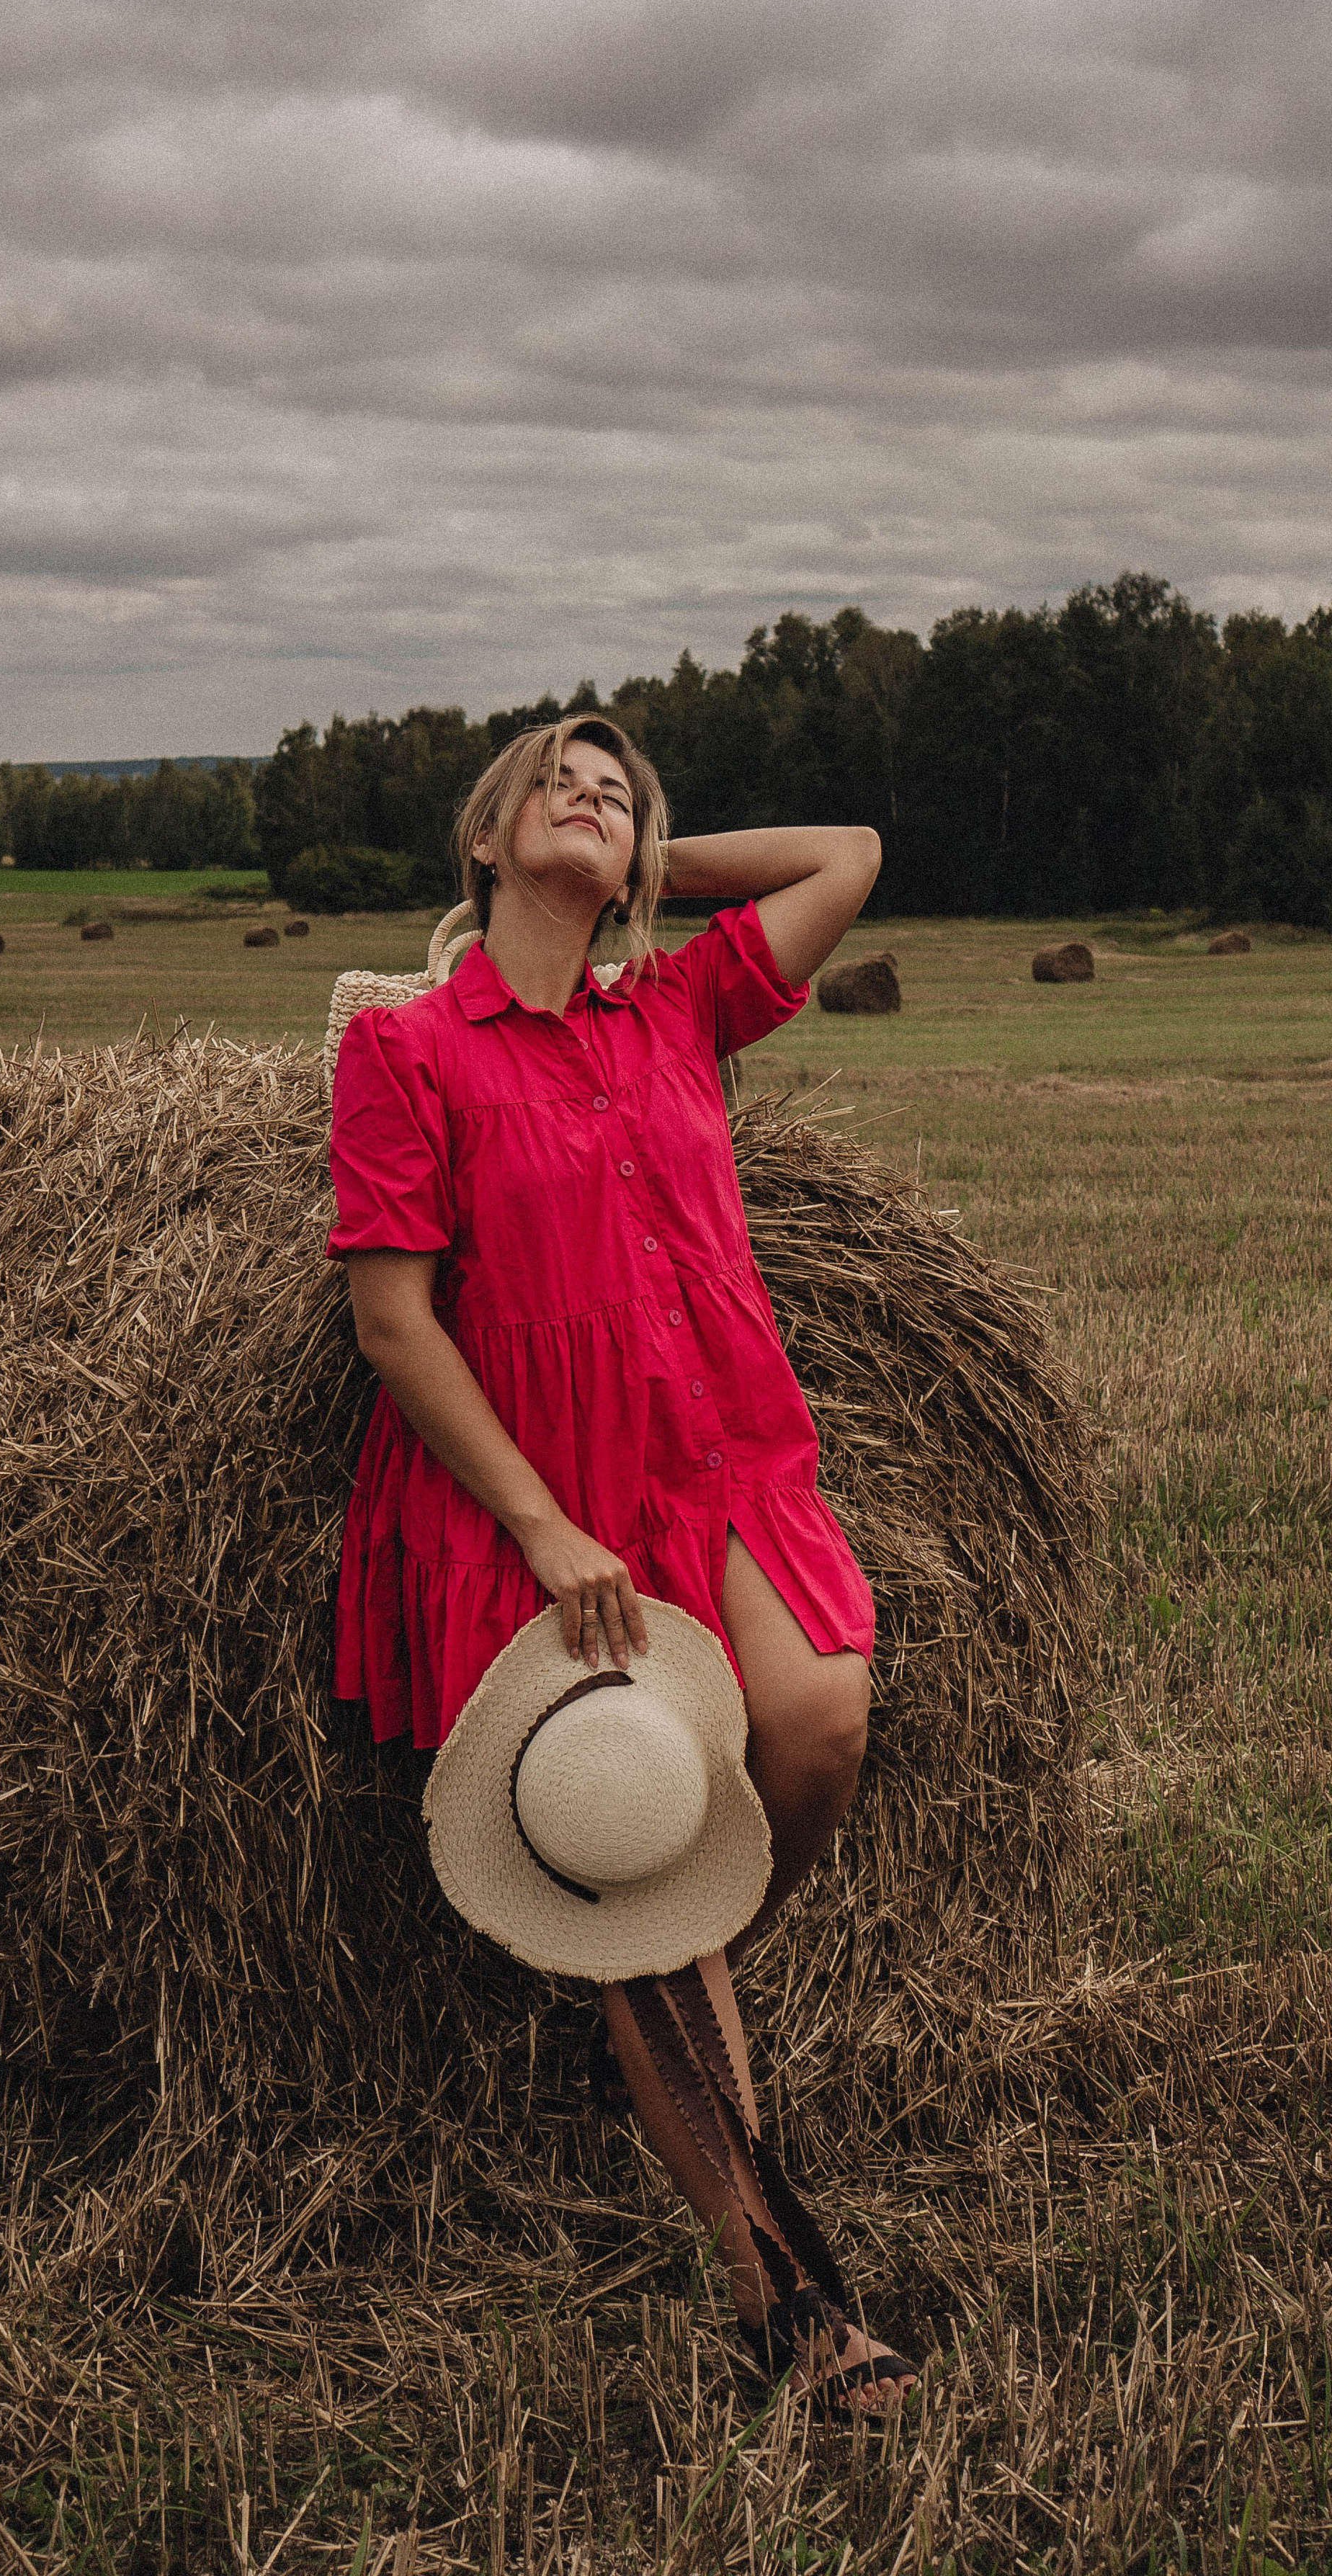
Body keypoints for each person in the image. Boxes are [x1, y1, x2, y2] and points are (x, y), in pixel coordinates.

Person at [327, 715, 917, 2418]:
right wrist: (535, 1520)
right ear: (486, 839)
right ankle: (784, 2297)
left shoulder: (673, 1006)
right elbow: (390, 1319)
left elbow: (847, 857)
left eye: (618, 792)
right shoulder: (411, 1050)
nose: (591, 799)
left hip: (722, 1457)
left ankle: (651, 1995)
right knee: (645, 1841)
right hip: (548, 1502)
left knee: (813, 1724)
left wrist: (648, 863)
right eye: (558, 787)